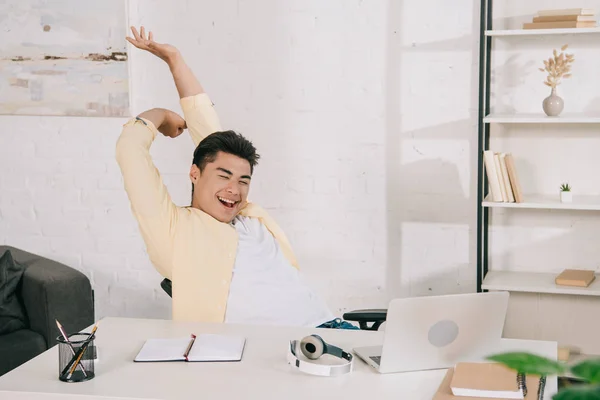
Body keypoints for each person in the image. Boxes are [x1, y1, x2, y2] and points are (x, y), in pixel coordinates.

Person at [116, 26, 358, 330]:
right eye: (224, 176)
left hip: (334, 326)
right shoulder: (174, 230)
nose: (235, 190)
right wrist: (161, 116)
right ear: (194, 174)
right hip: (285, 350)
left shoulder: (247, 215)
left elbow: (208, 130)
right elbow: (130, 150)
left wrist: (174, 60)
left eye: (244, 180)